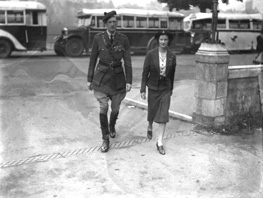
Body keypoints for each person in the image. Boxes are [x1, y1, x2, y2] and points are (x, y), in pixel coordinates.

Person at [87, 10, 132, 153]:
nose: (113, 24)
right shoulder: (98, 38)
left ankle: (112, 125)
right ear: (105, 24)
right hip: (101, 78)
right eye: (110, 22)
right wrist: (89, 79)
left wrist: (129, 80)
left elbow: (128, 61)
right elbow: (93, 59)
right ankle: (105, 139)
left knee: (116, 108)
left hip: (118, 79)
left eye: (115, 22)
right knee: (103, 107)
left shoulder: (123, 39)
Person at [140, 30, 176, 155]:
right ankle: (149, 126)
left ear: (168, 41)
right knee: (152, 110)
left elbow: (172, 75)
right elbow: (145, 73)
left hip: (165, 89)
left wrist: (171, 89)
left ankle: (159, 142)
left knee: (163, 115)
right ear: (157, 40)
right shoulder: (150, 54)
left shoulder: (172, 56)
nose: (163, 42)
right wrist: (142, 89)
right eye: (161, 39)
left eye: (165, 39)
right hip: (153, 87)